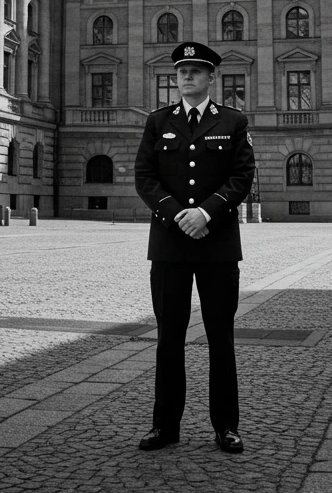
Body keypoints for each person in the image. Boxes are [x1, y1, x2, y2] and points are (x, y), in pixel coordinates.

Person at [134, 41, 256, 454]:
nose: (187, 77)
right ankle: (165, 426)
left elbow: (242, 177)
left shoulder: (234, 121)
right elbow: (145, 177)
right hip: (170, 245)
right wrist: (176, 214)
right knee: (169, 337)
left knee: (221, 338)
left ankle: (227, 427)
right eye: (182, 71)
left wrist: (205, 213)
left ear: (211, 78)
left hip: (217, 244)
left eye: (196, 71)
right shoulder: (158, 121)